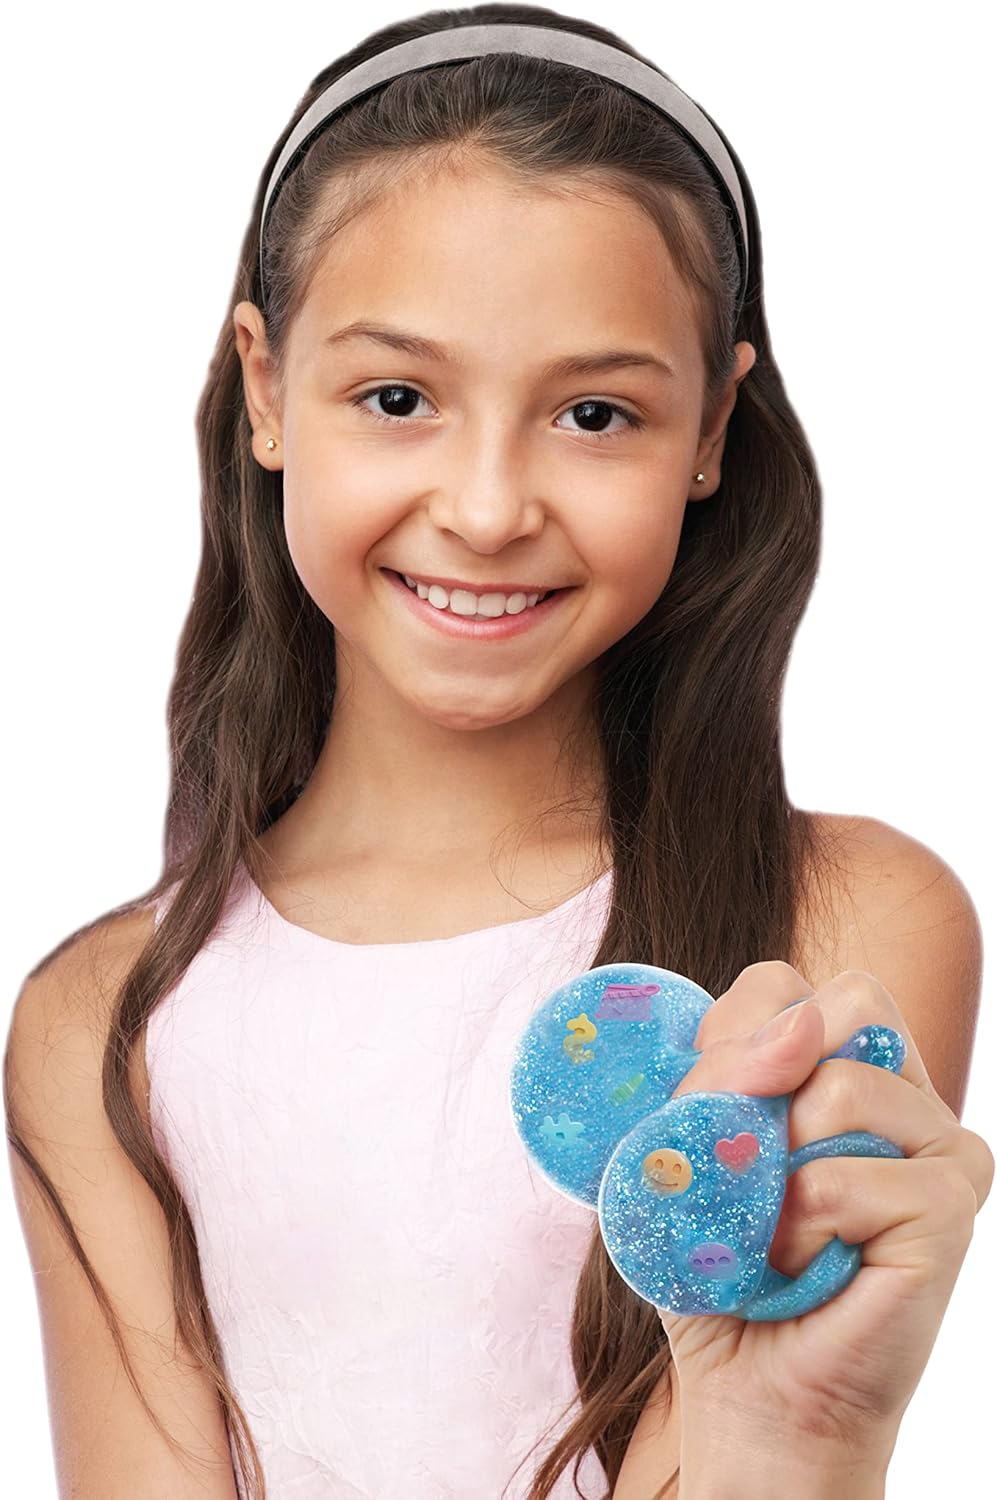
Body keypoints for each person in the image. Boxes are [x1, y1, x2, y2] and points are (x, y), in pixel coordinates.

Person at [4, 5, 992, 1499]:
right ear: (268, 390)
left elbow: (771, 1447)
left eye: (594, 413)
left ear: (712, 429)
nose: (483, 506)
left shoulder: (833, 937)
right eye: (396, 398)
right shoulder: (105, 1027)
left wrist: (796, 1440)